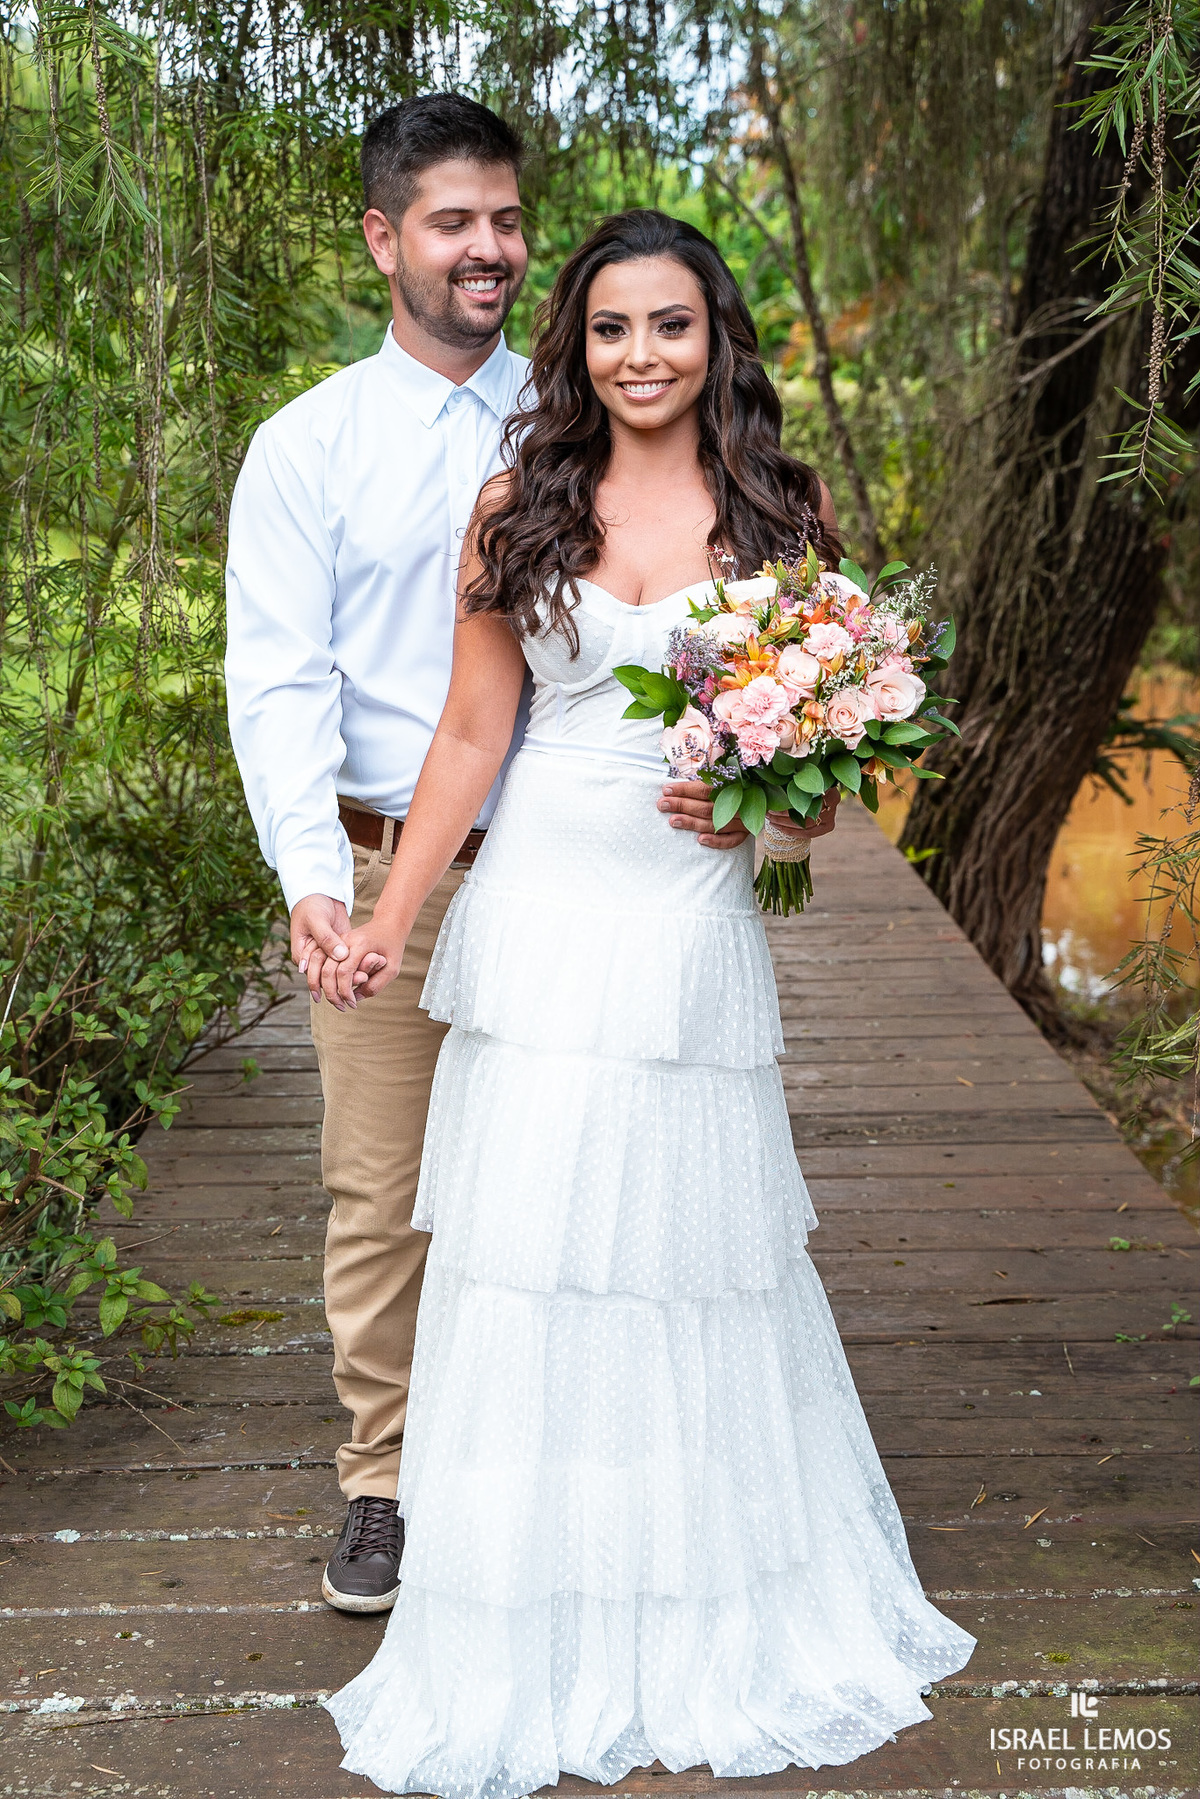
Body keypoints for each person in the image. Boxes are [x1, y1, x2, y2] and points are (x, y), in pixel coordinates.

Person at [321, 208, 973, 1794]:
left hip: (685, 919)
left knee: (682, 1253)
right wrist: (385, 922)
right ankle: (535, 1585)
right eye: (612, 329)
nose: (641, 358)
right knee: (537, 1248)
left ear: (716, 336)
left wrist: (766, 808)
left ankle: (698, 1583)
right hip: (542, 909)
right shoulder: (518, 503)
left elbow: (820, 788)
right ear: (576, 343)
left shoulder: (780, 509)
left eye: (670, 326)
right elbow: (473, 737)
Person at [225, 100, 748, 1616]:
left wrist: (759, 788)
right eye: (454, 223)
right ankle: (384, 1479)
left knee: (578, 1179)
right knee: (382, 1187)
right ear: (385, 237)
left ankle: (568, 1465)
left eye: (508, 222)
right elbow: (278, 683)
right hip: (400, 859)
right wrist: (319, 882)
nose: (491, 251)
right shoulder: (306, 446)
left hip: (588, 881)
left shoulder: (585, 404)